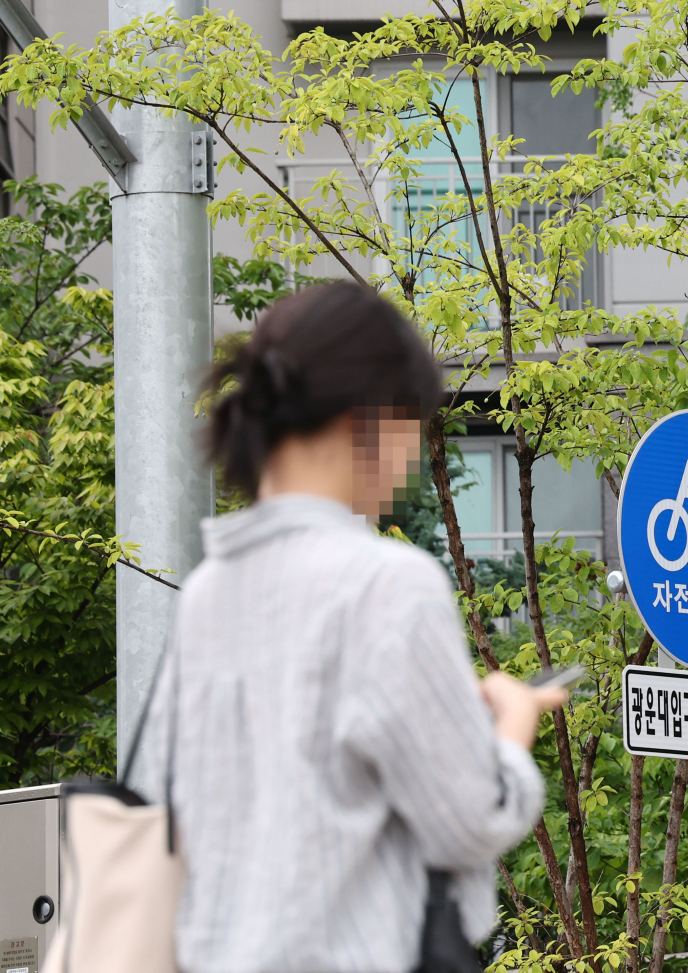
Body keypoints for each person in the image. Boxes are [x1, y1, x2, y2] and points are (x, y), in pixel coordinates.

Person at [133, 281, 565, 973]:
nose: (413, 451)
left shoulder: (209, 592)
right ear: (367, 416)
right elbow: (470, 819)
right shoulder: (389, 583)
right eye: (413, 419)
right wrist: (511, 730)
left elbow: (164, 814)